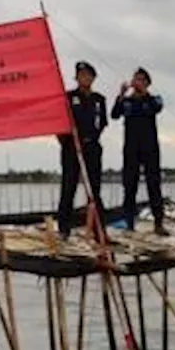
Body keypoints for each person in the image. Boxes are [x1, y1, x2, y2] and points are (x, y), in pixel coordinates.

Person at [55, 60, 108, 238]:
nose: (85, 78)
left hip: (92, 147)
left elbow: (102, 124)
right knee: (68, 187)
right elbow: (59, 124)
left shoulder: (99, 100)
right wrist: (66, 141)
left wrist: (91, 138)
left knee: (94, 191)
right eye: (81, 75)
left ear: (93, 78)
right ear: (77, 78)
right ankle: (64, 229)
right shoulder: (68, 98)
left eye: (88, 75)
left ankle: (99, 229)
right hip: (72, 148)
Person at [112, 66, 167, 235]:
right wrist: (121, 95)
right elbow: (114, 114)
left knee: (154, 185)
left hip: (150, 148)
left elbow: (157, 107)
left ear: (148, 83)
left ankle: (158, 223)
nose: (138, 83)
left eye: (142, 80)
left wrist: (145, 93)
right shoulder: (126, 101)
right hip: (131, 148)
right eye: (136, 79)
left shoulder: (154, 100)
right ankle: (129, 223)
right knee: (129, 186)